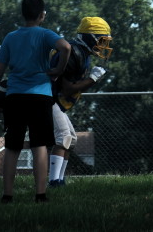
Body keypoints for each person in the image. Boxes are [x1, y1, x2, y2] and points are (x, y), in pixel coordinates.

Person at [0, 0, 71, 203]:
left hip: (14, 97)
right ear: (42, 15)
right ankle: (40, 194)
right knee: (39, 145)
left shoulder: (10, 37)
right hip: (40, 97)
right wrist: (58, 69)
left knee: (12, 147)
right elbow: (66, 47)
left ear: (23, 14)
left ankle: (7, 195)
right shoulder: (45, 34)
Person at [48, 16, 114, 187]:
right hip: (47, 98)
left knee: (71, 141)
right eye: (101, 40)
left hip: (55, 100)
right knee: (63, 138)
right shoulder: (72, 53)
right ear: (88, 37)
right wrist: (93, 78)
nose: (103, 46)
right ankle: (54, 181)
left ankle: (60, 180)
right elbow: (68, 88)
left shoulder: (83, 53)